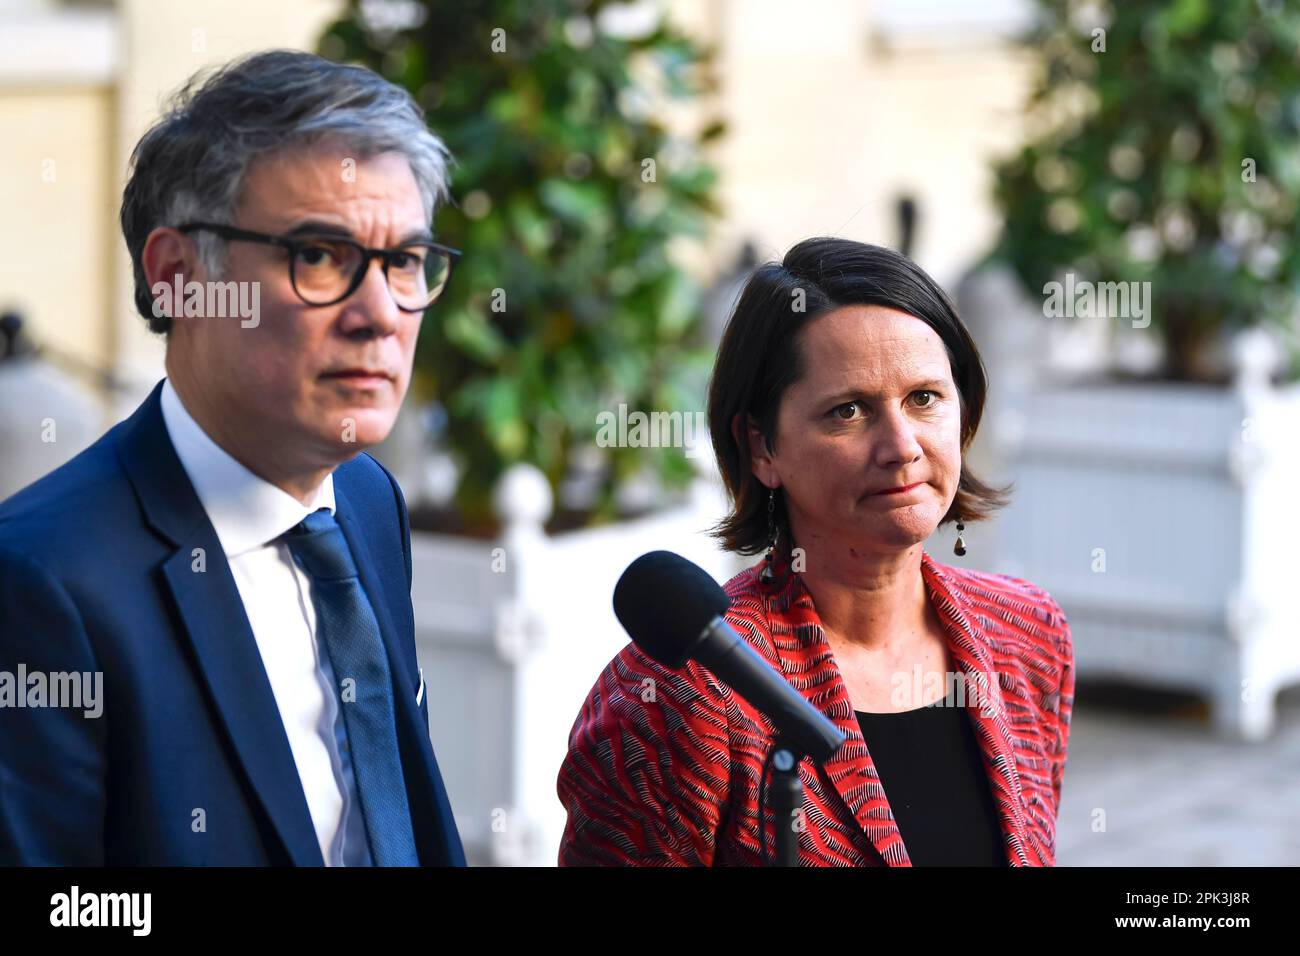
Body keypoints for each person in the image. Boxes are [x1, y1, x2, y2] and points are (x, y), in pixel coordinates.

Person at [0, 50, 464, 866]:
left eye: (404, 262)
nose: (380, 314)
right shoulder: (40, 582)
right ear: (178, 276)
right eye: (320, 257)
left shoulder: (364, 500)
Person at [557, 237, 1075, 866]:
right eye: (848, 411)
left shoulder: (1027, 635)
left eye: (924, 398)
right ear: (761, 448)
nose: (902, 445)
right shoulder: (680, 695)